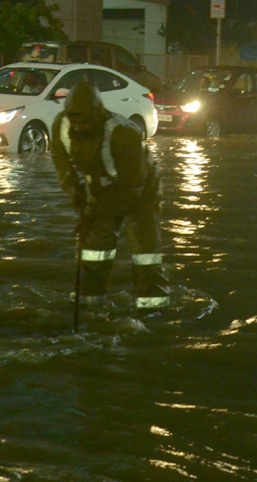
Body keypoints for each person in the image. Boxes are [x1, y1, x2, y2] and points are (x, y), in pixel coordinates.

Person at [50, 81, 169, 311]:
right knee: (94, 252)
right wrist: (76, 193)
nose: (80, 127)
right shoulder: (61, 126)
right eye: (75, 121)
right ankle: (90, 305)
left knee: (146, 255)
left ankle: (152, 307)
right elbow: (62, 164)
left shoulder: (124, 133)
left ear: (98, 115)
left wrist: (94, 213)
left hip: (142, 193)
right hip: (101, 190)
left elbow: (132, 186)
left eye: (86, 122)